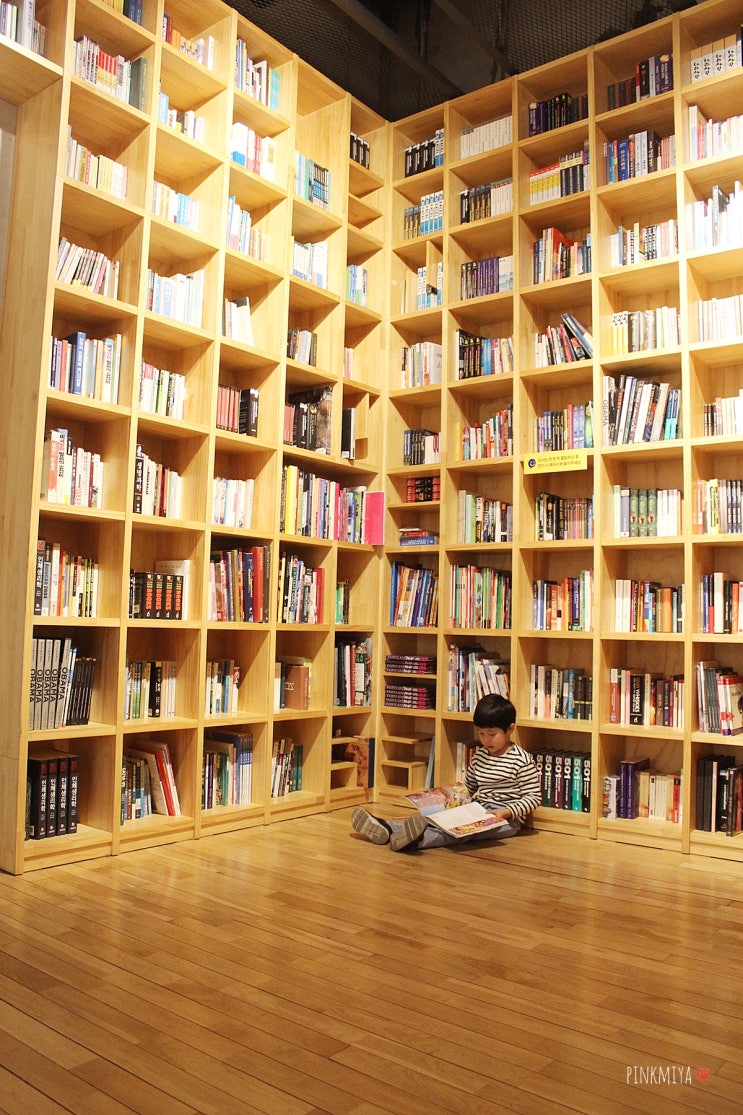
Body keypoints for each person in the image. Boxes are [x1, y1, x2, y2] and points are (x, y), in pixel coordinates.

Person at [351, 693, 541, 852]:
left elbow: (533, 797)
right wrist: (446, 800)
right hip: (478, 808)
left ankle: (418, 841)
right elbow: (469, 787)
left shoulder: (520, 759)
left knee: (462, 833)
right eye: (481, 734)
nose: (486, 740)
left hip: (506, 820)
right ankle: (388, 828)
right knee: (439, 820)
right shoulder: (481, 755)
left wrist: (506, 812)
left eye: (492, 734)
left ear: (510, 729)